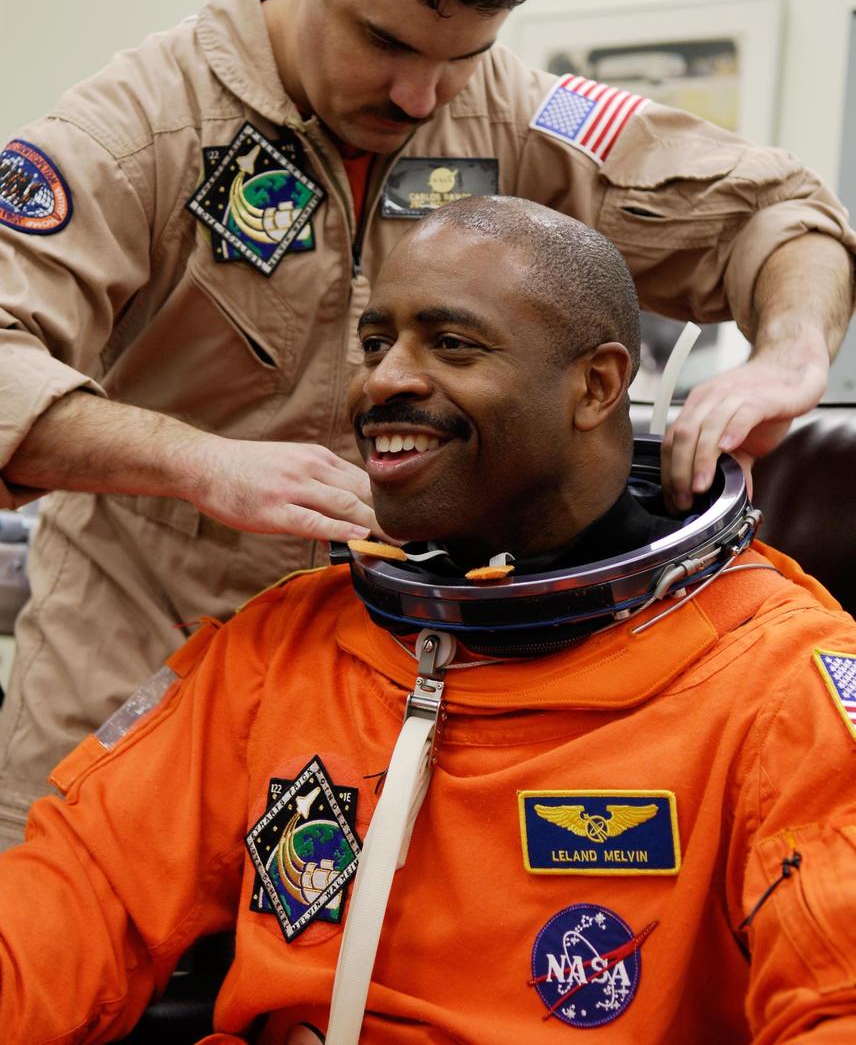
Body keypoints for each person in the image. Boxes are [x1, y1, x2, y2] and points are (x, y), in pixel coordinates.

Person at [0, 0, 853, 852]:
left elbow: (774, 209)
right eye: (387, 43)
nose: (421, 98)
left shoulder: (509, 111)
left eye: (461, 55)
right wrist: (198, 462)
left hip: (388, 719)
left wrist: (788, 348)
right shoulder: (134, 131)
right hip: (131, 698)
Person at [0, 196, 854, 1044]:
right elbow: (73, 898)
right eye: (377, 344)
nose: (384, 379)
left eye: (451, 344)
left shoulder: (779, 679)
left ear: (595, 385)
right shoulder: (287, 645)